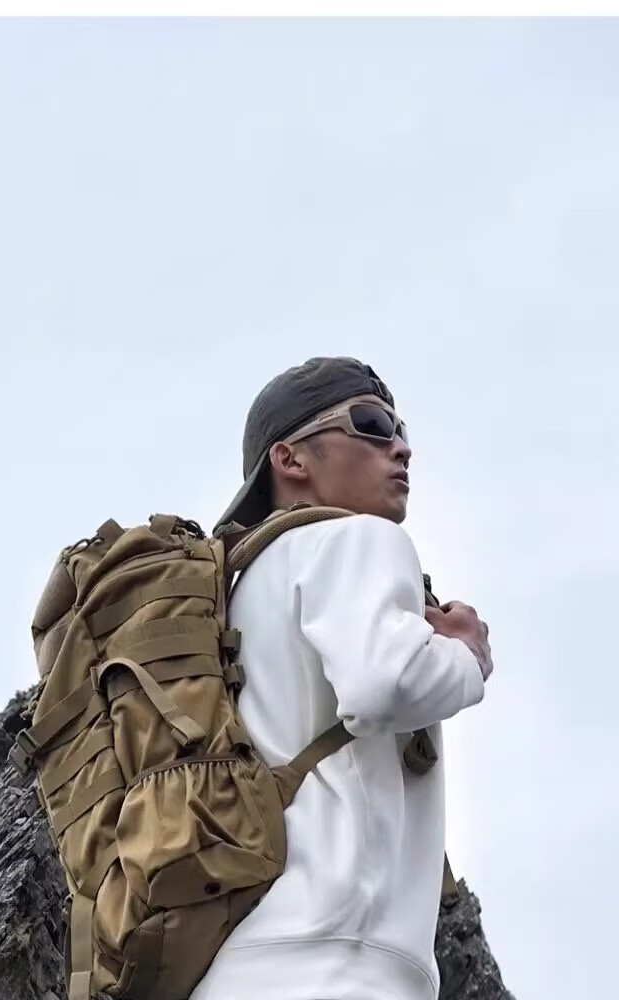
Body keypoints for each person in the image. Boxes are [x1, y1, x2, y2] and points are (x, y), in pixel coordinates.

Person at [191, 356, 494, 1000]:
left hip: (245, 966)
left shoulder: (240, 593)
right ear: (290, 458)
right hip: (338, 965)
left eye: (401, 429)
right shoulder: (360, 540)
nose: (401, 447)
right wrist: (467, 655)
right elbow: (385, 685)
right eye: (371, 424)